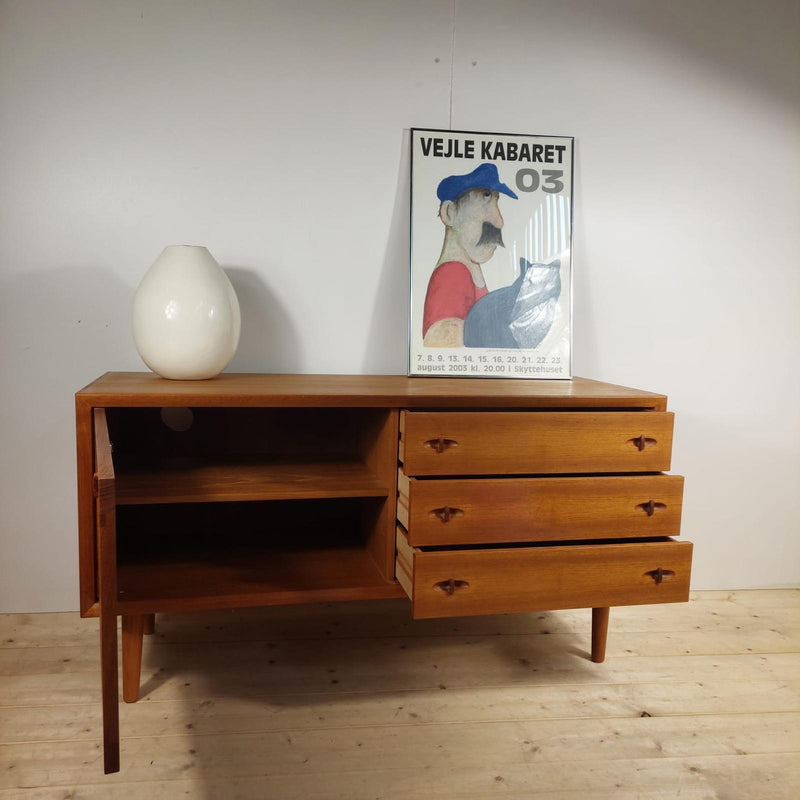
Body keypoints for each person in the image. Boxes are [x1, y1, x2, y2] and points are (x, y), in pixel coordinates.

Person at [422, 162, 517, 347]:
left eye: (495, 199)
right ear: (449, 213)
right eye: (485, 197)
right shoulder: (452, 274)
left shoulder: (468, 271)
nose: (499, 221)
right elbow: (438, 344)